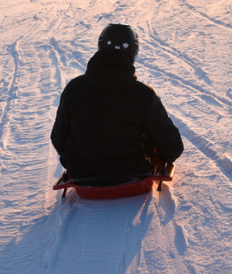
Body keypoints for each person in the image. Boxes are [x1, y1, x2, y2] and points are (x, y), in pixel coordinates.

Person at [51, 25, 183, 182]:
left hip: (82, 174)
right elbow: (173, 148)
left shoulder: (74, 89)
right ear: (133, 51)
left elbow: (58, 139)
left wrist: (76, 160)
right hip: (132, 174)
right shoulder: (143, 94)